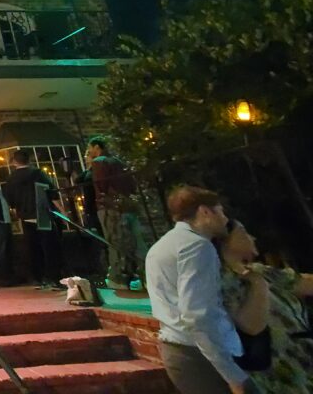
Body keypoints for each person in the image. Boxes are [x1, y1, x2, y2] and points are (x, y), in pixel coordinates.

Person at [145, 186, 260, 394]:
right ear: (205, 212)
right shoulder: (197, 246)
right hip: (200, 355)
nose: (225, 219)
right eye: (221, 211)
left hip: (179, 348)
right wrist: (232, 375)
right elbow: (198, 315)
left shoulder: (160, 247)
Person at [215, 219, 313, 393]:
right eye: (243, 232)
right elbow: (251, 326)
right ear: (225, 241)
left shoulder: (258, 270)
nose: (251, 237)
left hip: (304, 359)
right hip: (281, 374)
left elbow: (302, 283)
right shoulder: (224, 285)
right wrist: (258, 284)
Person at [87, 136, 145, 290]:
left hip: (110, 207)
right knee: (136, 242)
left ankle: (118, 278)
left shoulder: (99, 162)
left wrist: (103, 199)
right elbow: (132, 185)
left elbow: (101, 185)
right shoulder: (118, 162)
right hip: (127, 206)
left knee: (115, 242)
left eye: (90, 148)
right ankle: (144, 276)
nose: (89, 152)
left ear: (97, 147)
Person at [1, 149, 63, 290]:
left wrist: (18, 210)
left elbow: (9, 200)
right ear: (29, 160)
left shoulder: (11, 179)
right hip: (42, 214)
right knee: (49, 247)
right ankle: (53, 277)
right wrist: (62, 211)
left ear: (14, 161)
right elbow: (52, 194)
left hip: (25, 216)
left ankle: (37, 278)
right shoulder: (38, 174)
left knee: (32, 247)